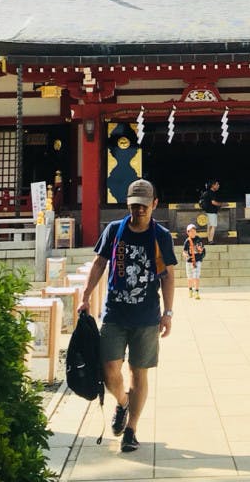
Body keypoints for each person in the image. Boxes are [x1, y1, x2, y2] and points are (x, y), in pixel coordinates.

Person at [78, 179, 177, 453]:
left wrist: (168, 312)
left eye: (145, 205)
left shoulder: (160, 236)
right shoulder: (114, 231)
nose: (140, 210)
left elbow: (167, 275)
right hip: (115, 313)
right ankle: (122, 402)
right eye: (135, 205)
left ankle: (131, 429)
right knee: (110, 371)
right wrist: (86, 296)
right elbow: (100, 263)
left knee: (138, 371)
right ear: (128, 203)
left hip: (146, 315)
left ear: (154, 204)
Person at [182, 223, 206, 299]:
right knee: (189, 277)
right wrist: (185, 254)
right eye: (191, 231)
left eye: (194, 230)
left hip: (197, 260)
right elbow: (184, 251)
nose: (193, 232)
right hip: (189, 260)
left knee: (196, 276)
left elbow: (201, 249)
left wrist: (199, 250)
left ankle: (197, 291)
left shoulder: (199, 239)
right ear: (188, 232)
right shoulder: (187, 241)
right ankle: (190, 290)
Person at [200, 179, 226, 244]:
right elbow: (213, 202)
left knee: (209, 226)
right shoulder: (212, 193)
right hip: (212, 212)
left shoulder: (208, 192)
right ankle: (211, 241)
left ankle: (209, 240)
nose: (218, 186)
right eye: (217, 184)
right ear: (213, 185)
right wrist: (222, 204)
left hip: (208, 211)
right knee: (213, 226)